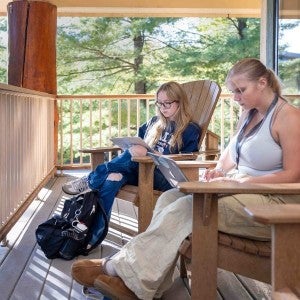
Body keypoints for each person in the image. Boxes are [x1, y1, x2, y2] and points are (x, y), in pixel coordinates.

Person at [71, 58, 300, 300]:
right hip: (241, 190)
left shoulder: (288, 117)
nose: (235, 97)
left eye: (241, 90)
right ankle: (141, 281)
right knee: (170, 198)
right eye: (233, 91)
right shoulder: (248, 115)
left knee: (189, 208)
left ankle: (118, 269)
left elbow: (293, 175)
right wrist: (219, 171)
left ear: (262, 83)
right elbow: (231, 156)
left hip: (274, 203)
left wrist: (243, 183)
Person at [62, 81, 201, 249]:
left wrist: (152, 154)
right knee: (112, 178)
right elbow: (139, 142)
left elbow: (185, 162)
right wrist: (129, 146)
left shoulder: (190, 129)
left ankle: (91, 179)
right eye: (159, 103)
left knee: (134, 154)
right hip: (140, 170)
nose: (163, 108)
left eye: (167, 103)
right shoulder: (154, 123)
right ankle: (92, 238)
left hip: (163, 177)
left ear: (180, 102)